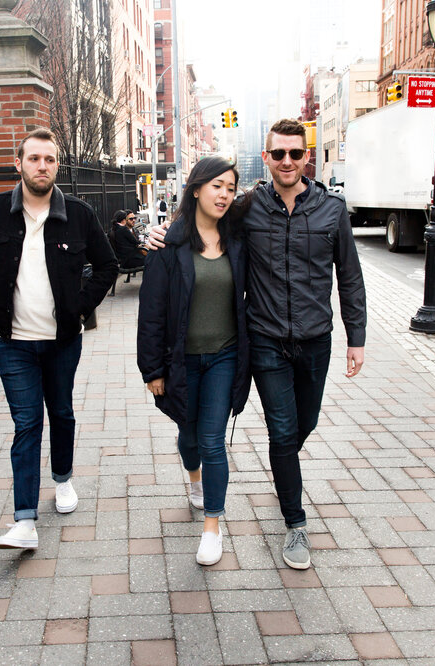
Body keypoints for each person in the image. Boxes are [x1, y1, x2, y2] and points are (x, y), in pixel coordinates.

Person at [147, 119, 367, 570]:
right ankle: (295, 523)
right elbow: (200, 218)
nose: (287, 161)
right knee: (281, 432)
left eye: (295, 153)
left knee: (304, 425)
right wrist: (156, 234)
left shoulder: (332, 209)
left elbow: (349, 275)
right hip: (265, 340)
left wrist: (356, 337)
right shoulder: (248, 207)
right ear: (266, 158)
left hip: (315, 339)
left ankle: (284, 469)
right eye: (278, 153)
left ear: (306, 157)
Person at [0, 128, 118, 550]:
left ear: (57, 165)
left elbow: (107, 266)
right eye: (34, 158)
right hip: (12, 340)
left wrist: (80, 308)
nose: (42, 166)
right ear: (19, 164)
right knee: (27, 422)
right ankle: (25, 521)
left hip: (62, 339)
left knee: (61, 412)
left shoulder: (78, 213)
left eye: (49, 159)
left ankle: (63, 479)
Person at [137, 157, 250, 566]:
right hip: (181, 361)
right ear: (197, 188)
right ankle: (195, 480)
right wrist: (152, 369)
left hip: (225, 356)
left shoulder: (238, 239)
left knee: (212, 440)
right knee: (189, 438)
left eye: (230, 188)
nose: (224, 195)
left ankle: (212, 528)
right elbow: (151, 311)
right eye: (216, 186)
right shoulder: (168, 244)